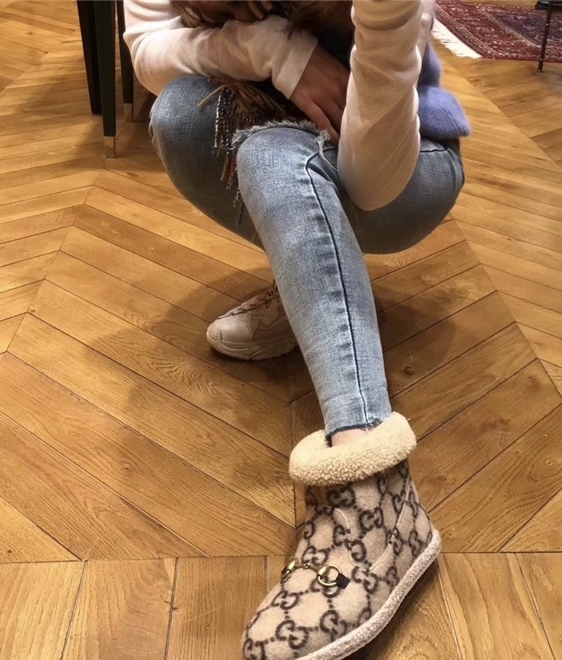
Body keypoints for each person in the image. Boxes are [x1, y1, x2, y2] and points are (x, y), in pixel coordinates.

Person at [124, 1, 469, 657]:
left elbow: (371, 183)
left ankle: (377, 490)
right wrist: (276, 51)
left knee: (272, 152)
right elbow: (148, 52)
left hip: (406, 156)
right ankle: (308, 285)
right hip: (263, 108)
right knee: (180, 115)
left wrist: (385, 21)